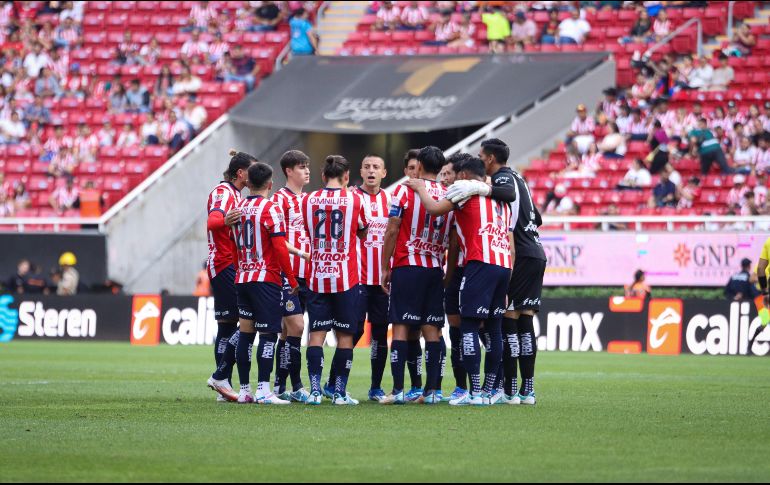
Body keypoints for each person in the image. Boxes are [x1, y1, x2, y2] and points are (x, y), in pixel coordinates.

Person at [406, 156, 513, 406]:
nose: (450, 179)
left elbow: (433, 209)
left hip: (479, 264)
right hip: (502, 265)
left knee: (468, 327)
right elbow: (509, 240)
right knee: (495, 329)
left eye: (453, 174)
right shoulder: (501, 201)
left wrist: (421, 189)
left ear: (463, 176)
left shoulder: (463, 191)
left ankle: (474, 392)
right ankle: (489, 391)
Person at [211, 161, 297, 405]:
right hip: (265, 279)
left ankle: (245, 390)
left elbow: (234, 245)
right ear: (270, 184)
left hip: (242, 278)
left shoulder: (237, 209)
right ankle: (263, 390)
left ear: (248, 183)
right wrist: (290, 278)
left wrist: (239, 270)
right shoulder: (271, 209)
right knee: (269, 334)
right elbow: (279, 247)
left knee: (246, 335)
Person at [380, 146, 452, 405]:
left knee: (401, 327)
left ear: (419, 166)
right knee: (431, 330)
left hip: (407, 265)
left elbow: (392, 229)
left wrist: (384, 266)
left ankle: (398, 391)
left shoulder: (404, 190)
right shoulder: (448, 195)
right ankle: (431, 392)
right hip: (434, 268)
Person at [301, 155, 369, 405]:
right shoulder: (355, 199)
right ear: (347, 177)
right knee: (346, 336)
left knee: (316, 334)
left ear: (322, 176)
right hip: (346, 278)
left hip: (317, 276)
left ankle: (315, 391)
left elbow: (309, 232)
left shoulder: (308, 200)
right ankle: (339, 392)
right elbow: (362, 230)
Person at [205, 150, 257, 403]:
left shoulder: (236, 194)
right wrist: (226, 219)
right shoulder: (222, 192)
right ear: (241, 173)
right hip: (223, 263)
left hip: (233, 264)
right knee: (240, 321)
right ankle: (221, 376)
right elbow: (213, 221)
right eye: (252, 170)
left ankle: (223, 382)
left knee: (229, 324)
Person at [268, 150, 313, 403]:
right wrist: (300, 253)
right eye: (301, 167)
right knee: (296, 325)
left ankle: (279, 385)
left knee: (288, 332)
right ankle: (296, 385)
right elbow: (276, 240)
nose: (307, 171)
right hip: (288, 273)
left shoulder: (308, 200)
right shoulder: (279, 201)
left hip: (308, 273)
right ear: (288, 171)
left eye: (307, 166)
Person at [347, 156, 392, 402]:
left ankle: (375, 386)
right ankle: (335, 381)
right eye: (367, 167)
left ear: (384, 173)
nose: (371, 171)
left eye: (376, 167)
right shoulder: (352, 198)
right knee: (352, 331)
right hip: (357, 278)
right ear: (361, 171)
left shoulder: (391, 200)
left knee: (380, 333)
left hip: (382, 281)